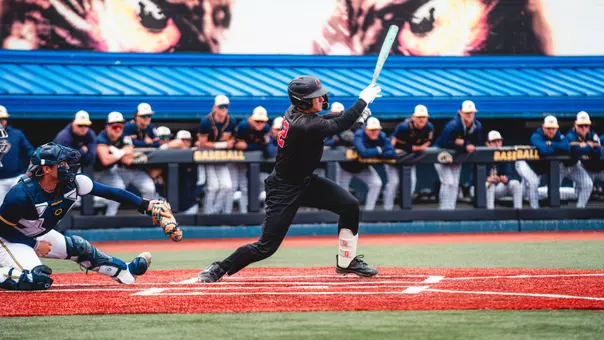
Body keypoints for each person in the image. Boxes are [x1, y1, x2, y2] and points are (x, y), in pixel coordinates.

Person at [198, 76, 382, 282]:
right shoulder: (304, 124)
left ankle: (347, 261)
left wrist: (351, 114)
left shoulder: (296, 113)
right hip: (283, 188)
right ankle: (218, 268)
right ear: (303, 101)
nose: (321, 99)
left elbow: (331, 120)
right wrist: (362, 102)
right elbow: (335, 124)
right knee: (266, 247)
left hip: (305, 181)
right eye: (316, 97)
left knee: (349, 205)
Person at [0, 141, 172, 291]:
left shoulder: (74, 182)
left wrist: (146, 205)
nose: (68, 167)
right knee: (38, 279)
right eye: (62, 164)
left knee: (79, 248)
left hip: (34, 232)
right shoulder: (21, 195)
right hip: (8, 239)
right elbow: (3, 229)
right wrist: (35, 244)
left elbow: (112, 192)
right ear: (46, 169)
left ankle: (125, 271)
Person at [516, 115, 592, 208]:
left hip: (538, 169)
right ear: (543, 127)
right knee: (533, 182)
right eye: (548, 128)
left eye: (553, 128)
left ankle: (518, 207)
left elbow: (566, 147)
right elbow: (545, 151)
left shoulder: (558, 135)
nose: (551, 131)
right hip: (525, 164)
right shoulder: (536, 136)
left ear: (557, 128)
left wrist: (551, 144)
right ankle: (534, 210)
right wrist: (556, 147)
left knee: (524, 191)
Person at [95, 112, 156, 215]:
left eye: (120, 126)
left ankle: (110, 219)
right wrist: (122, 152)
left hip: (108, 172)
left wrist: (116, 151)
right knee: (83, 198)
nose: (118, 129)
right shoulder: (102, 138)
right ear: (108, 127)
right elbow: (105, 160)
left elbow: (128, 159)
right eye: (115, 126)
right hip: (91, 171)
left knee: (119, 188)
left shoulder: (124, 137)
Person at [434, 100, 482, 210]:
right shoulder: (452, 125)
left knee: (455, 184)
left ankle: (451, 209)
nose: (469, 115)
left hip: (457, 157)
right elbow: (446, 142)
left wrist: (463, 144)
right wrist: (464, 146)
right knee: (448, 182)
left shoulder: (477, 126)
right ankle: (443, 210)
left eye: (471, 112)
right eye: (466, 113)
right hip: (442, 154)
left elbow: (476, 142)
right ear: (460, 112)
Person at [342, 117, 395, 211]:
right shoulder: (359, 135)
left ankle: (368, 211)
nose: (374, 132)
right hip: (345, 168)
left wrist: (375, 152)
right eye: (371, 130)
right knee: (341, 191)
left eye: (376, 130)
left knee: (376, 183)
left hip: (362, 168)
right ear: (366, 129)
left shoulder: (381, 135)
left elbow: (392, 153)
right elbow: (363, 153)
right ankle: (340, 214)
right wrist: (379, 150)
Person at [388, 104, 434, 209]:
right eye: (419, 117)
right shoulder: (404, 127)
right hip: (394, 157)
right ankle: (387, 209)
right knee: (393, 183)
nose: (421, 120)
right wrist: (416, 148)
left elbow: (428, 142)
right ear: (413, 117)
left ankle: (406, 209)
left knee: (411, 182)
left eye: (424, 117)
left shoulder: (429, 127)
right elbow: (395, 143)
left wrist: (417, 148)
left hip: (409, 158)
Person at [231, 106, 275, 213]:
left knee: (246, 188)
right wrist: (258, 145)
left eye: (262, 121)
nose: (260, 123)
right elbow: (236, 145)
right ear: (252, 119)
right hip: (234, 160)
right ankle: (222, 214)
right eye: (257, 121)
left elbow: (270, 152)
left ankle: (245, 213)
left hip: (249, 163)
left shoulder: (266, 128)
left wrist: (250, 146)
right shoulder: (244, 126)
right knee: (230, 187)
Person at [197, 95, 237, 214]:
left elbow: (233, 140)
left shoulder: (231, 121)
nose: (224, 109)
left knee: (227, 186)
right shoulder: (206, 121)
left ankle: (214, 212)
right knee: (213, 187)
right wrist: (223, 145)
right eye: (221, 106)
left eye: (226, 106)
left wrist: (230, 143)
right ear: (214, 107)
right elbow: (202, 144)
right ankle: (207, 213)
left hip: (221, 157)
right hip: (206, 157)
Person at [0, 106, 35, 203]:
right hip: (0, 181)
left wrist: (35, 157)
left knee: (19, 204)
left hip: (15, 177)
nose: (1, 121)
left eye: (3, 118)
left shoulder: (17, 134)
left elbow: (29, 150)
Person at [484, 131, 522, 209]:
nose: (497, 144)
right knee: (489, 185)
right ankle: (490, 216)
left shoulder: (503, 155)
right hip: (479, 188)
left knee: (516, 183)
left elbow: (511, 175)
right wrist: (487, 179)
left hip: (496, 187)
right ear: (487, 144)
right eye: (494, 142)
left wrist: (505, 179)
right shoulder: (481, 155)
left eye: (499, 141)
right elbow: (473, 179)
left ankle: (518, 213)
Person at [565, 111, 603, 184]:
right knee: (554, 187)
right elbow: (576, 151)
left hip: (581, 167)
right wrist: (589, 145)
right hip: (563, 166)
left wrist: (584, 146)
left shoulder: (592, 134)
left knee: (587, 185)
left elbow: (598, 151)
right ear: (575, 125)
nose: (584, 128)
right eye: (580, 125)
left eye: (586, 125)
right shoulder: (570, 135)